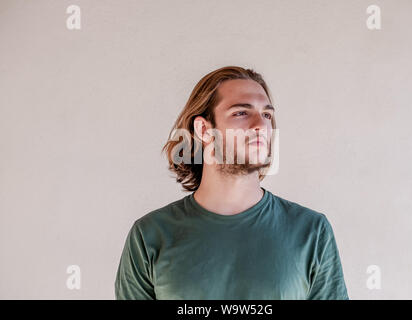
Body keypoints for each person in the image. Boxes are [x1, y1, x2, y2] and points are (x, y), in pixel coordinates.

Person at [114, 66, 349, 300]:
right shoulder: (150, 236)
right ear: (204, 129)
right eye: (241, 113)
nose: (261, 125)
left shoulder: (311, 231)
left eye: (267, 114)